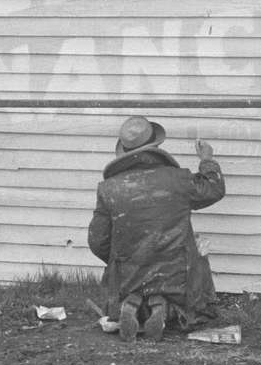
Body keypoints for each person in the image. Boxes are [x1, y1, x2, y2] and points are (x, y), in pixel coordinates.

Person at [88, 116, 225, 341]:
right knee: (196, 283)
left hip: (129, 278)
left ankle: (133, 304)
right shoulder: (179, 180)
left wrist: (121, 261)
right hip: (177, 277)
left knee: (127, 287)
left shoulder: (109, 189)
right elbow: (214, 188)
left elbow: (97, 242)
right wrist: (207, 159)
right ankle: (164, 308)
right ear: (156, 146)